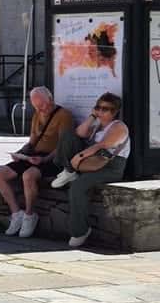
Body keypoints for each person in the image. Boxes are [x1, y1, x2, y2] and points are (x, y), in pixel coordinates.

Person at [0, 86, 74, 238]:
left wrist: (44, 159)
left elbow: (63, 145)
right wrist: (21, 153)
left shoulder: (64, 115)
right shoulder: (37, 114)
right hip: (34, 156)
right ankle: (16, 213)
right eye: (36, 106)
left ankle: (30, 214)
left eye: (42, 105)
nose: (40, 109)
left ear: (51, 99)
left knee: (28, 176)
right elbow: (32, 141)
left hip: (53, 158)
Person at [50, 92, 131, 246]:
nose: (100, 111)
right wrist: (92, 117)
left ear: (114, 112)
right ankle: (69, 171)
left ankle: (80, 231)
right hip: (92, 162)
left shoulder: (119, 127)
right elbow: (79, 133)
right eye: (98, 107)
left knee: (77, 188)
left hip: (110, 167)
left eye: (105, 109)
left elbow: (101, 146)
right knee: (68, 135)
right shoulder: (97, 124)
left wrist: (78, 158)